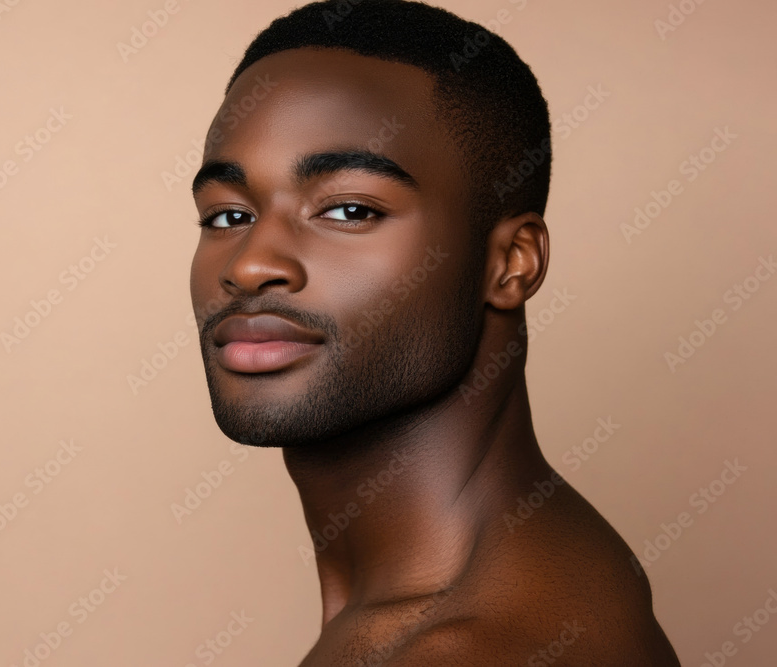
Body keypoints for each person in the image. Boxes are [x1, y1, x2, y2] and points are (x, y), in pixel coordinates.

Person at [188, 1, 681, 663]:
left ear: (511, 262)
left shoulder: (476, 647)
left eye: (349, 209)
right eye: (228, 216)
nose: (250, 265)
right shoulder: (541, 569)